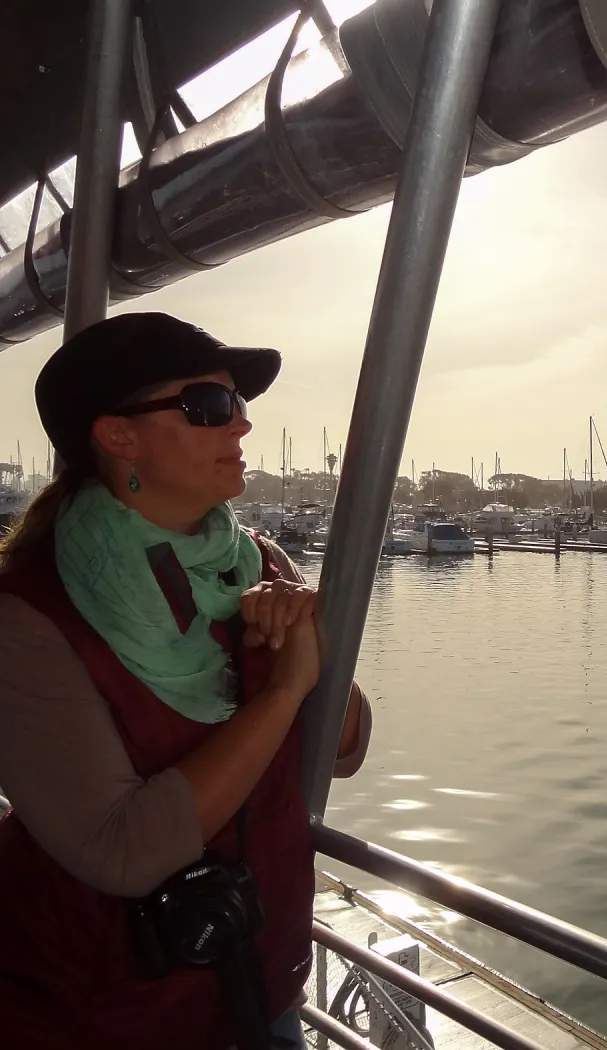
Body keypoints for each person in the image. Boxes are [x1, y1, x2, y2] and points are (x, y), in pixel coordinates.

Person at [0, 313, 373, 1050]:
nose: (241, 427)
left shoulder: (257, 562)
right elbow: (119, 849)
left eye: (239, 406)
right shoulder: (29, 614)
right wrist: (281, 693)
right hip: (98, 1014)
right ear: (118, 437)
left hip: (260, 986)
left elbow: (345, 749)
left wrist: (309, 648)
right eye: (209, 406)